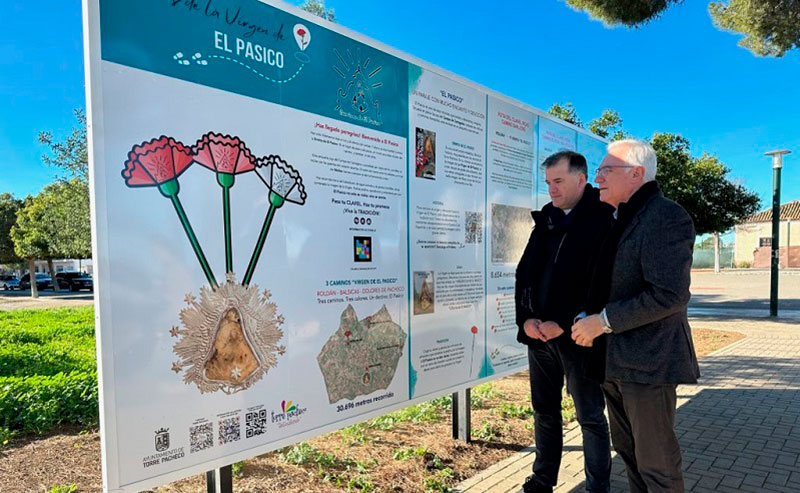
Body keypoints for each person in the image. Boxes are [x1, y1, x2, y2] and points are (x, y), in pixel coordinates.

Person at [571, 139, 700, 493]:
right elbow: (612, 283)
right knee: (630, 457)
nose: (597, 178)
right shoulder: (618, 219)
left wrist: (603, 321)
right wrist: (588, 314)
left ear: (636, 174)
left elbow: (669, 294)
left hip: (648, 366)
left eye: (605, 170)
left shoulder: (665, 217)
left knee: (657, 467)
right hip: (614, 362)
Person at [515, 151, 614, 493]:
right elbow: (525, 274)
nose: (552, 190)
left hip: (579, 336)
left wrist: (562, 320)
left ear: (581, 179)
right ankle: (543, 480)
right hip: (540, 337)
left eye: (558, 181)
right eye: (548, 183)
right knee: (544, 411)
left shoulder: (603, 219)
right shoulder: (546, 221)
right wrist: (526, 319)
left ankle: (597, 487)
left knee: (590, 416)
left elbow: (601, 282)